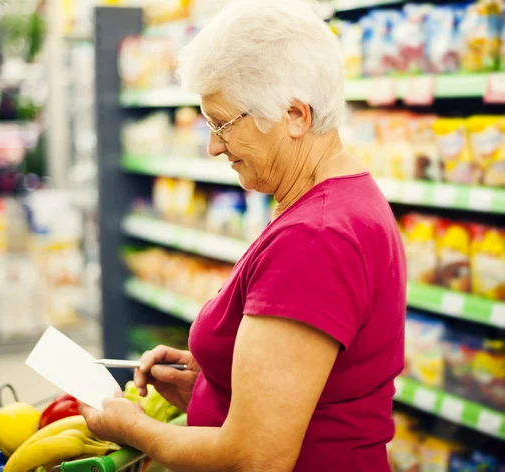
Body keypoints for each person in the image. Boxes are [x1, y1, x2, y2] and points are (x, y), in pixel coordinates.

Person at [81, 0, 406, 470]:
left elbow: (255, 458)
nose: (213, 146)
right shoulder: (341, 200)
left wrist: (131, 426)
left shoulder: (316, 239)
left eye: (223, 123)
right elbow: (320, 393)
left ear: (295, 115)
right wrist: (215, 382)